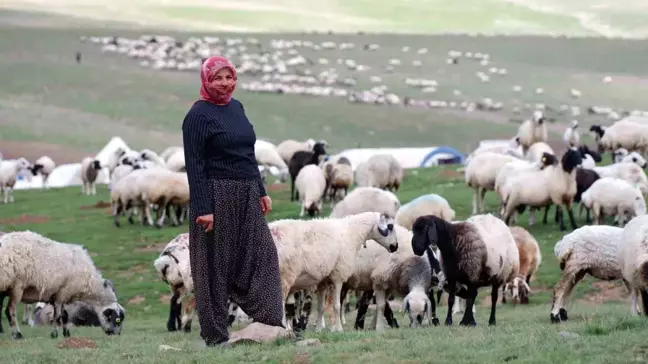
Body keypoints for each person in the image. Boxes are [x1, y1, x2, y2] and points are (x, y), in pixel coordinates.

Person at [182, 56, 285, 347]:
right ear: (206, 80)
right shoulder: (197, 116)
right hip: (216, 196)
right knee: (214, 266)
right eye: (218, 78)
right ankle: (215, 336)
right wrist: (203, 208)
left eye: (230, 77)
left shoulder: (237, 108)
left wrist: (261, 189)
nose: (225, 84)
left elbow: (247, 154)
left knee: (263, 256)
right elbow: (195, 165)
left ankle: (269, 323)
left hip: (247, 193)